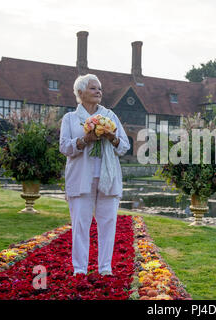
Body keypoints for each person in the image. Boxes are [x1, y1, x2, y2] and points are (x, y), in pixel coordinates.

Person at [59, 74, 130, 276]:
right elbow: (64, 147)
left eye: (100, 89)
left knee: (108, 223)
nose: (99, 91)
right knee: (80, 225)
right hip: (81, 178)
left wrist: (111, 136)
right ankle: (80, 269)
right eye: (93, 88)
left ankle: (105, 268)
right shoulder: (70, 119)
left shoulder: (111, 116)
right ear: (80, 93)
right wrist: (84, 140)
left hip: (108, 177)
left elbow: (124, 146)